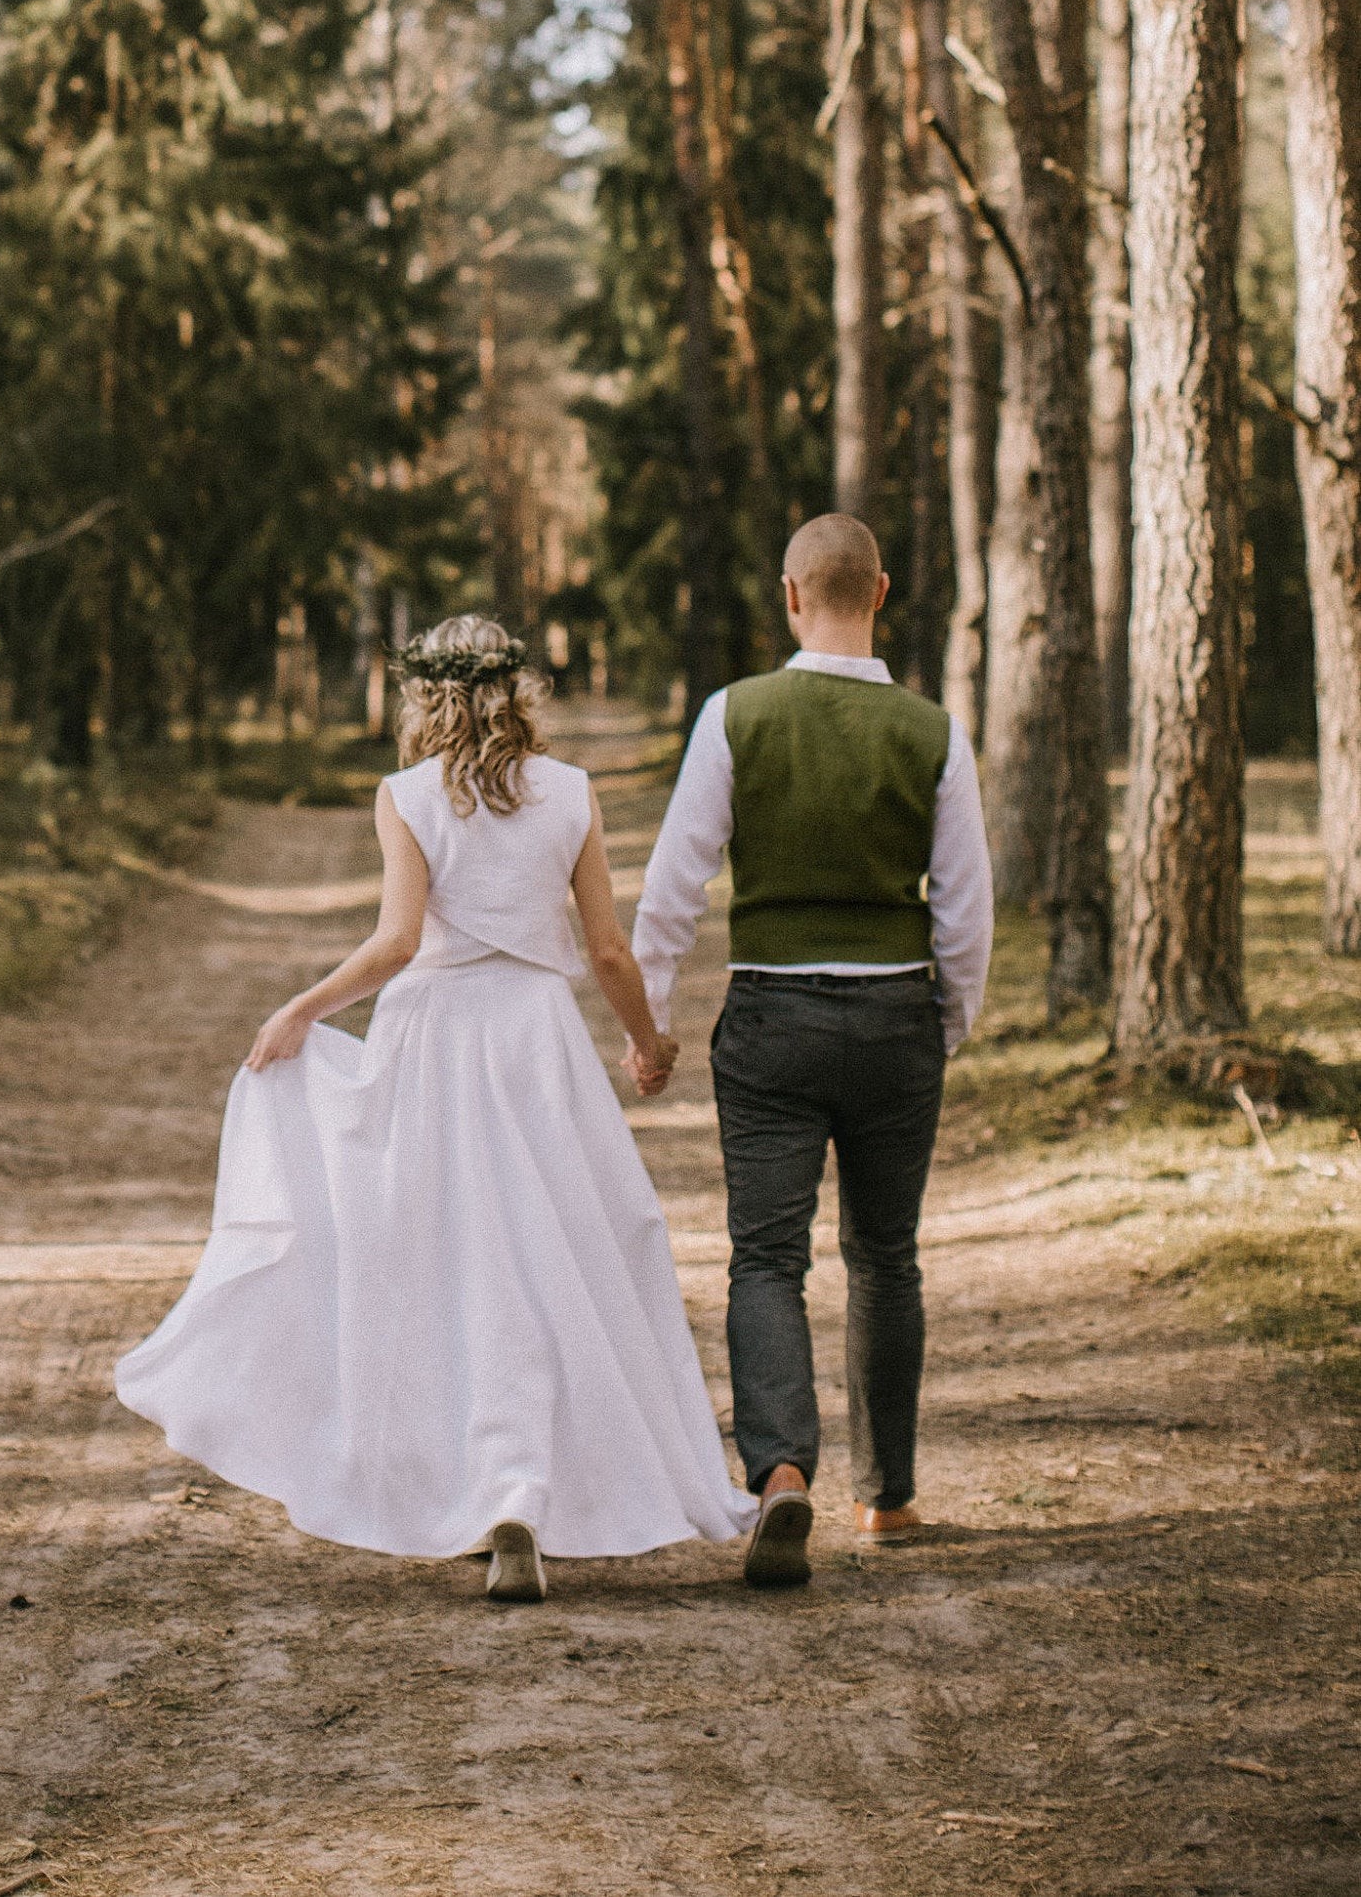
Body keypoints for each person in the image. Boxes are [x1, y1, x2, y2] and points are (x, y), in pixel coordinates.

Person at [116, 616, 756, 1602]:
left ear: (425, 697)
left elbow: (397, 942)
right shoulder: (571, 795)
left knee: (446, 1262)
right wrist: (644, 1038)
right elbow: (609, 951)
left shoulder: (408, 797)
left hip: (434, 1041)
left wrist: (302, 1007)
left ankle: (493, 1492)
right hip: (534, 1041)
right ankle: (522, 1490)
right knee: (561, 1256)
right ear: (517, 691)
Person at [630, 515, 993, 1588]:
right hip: (893, 1021)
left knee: (766, 1256)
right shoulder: (933, 732)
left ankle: (781, 1472)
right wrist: (947, 1019)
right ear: (878, 591)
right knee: (885, 1256)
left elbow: (672, 886)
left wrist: (650, 1024)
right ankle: (887, 1497)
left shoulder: (736, 714)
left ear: (790, 595)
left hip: (772, 1021)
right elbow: (965, 909)